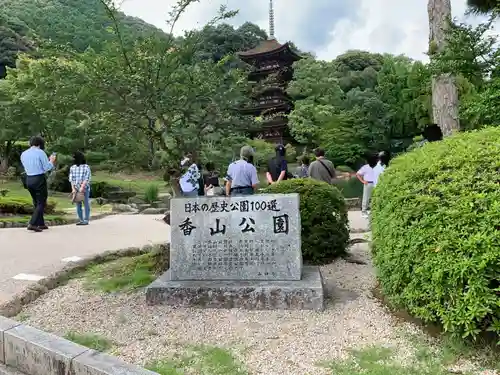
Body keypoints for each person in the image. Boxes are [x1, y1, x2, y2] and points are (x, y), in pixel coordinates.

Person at [20, 136, 56, 232]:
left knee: (36, 201)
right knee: (41, 202)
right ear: (40, 144)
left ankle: (41, 223)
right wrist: (51, 161)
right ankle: (32, 223)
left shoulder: (23, 154)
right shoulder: (40, 152)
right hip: (39, 178)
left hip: (28, 179)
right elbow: (46, 167)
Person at [69, 151, 91, 225]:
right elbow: (71, 179)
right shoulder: (72, 168)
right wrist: (73, 189)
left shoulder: (86, 167)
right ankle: (81, 220)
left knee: (86, 203)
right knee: (78, 204)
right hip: (76, 188)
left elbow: (86, 178)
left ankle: (86, 220)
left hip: (84, 188)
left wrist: (82, 187)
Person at [356, 153, 378, 218]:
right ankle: (364, 212)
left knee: (375, 198)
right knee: (366, 198)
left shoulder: (378, 167)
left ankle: (373, 211)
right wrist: (362, 181)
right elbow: (358, 174)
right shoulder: (365, 167)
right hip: (368, 183)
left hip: (376, 183)